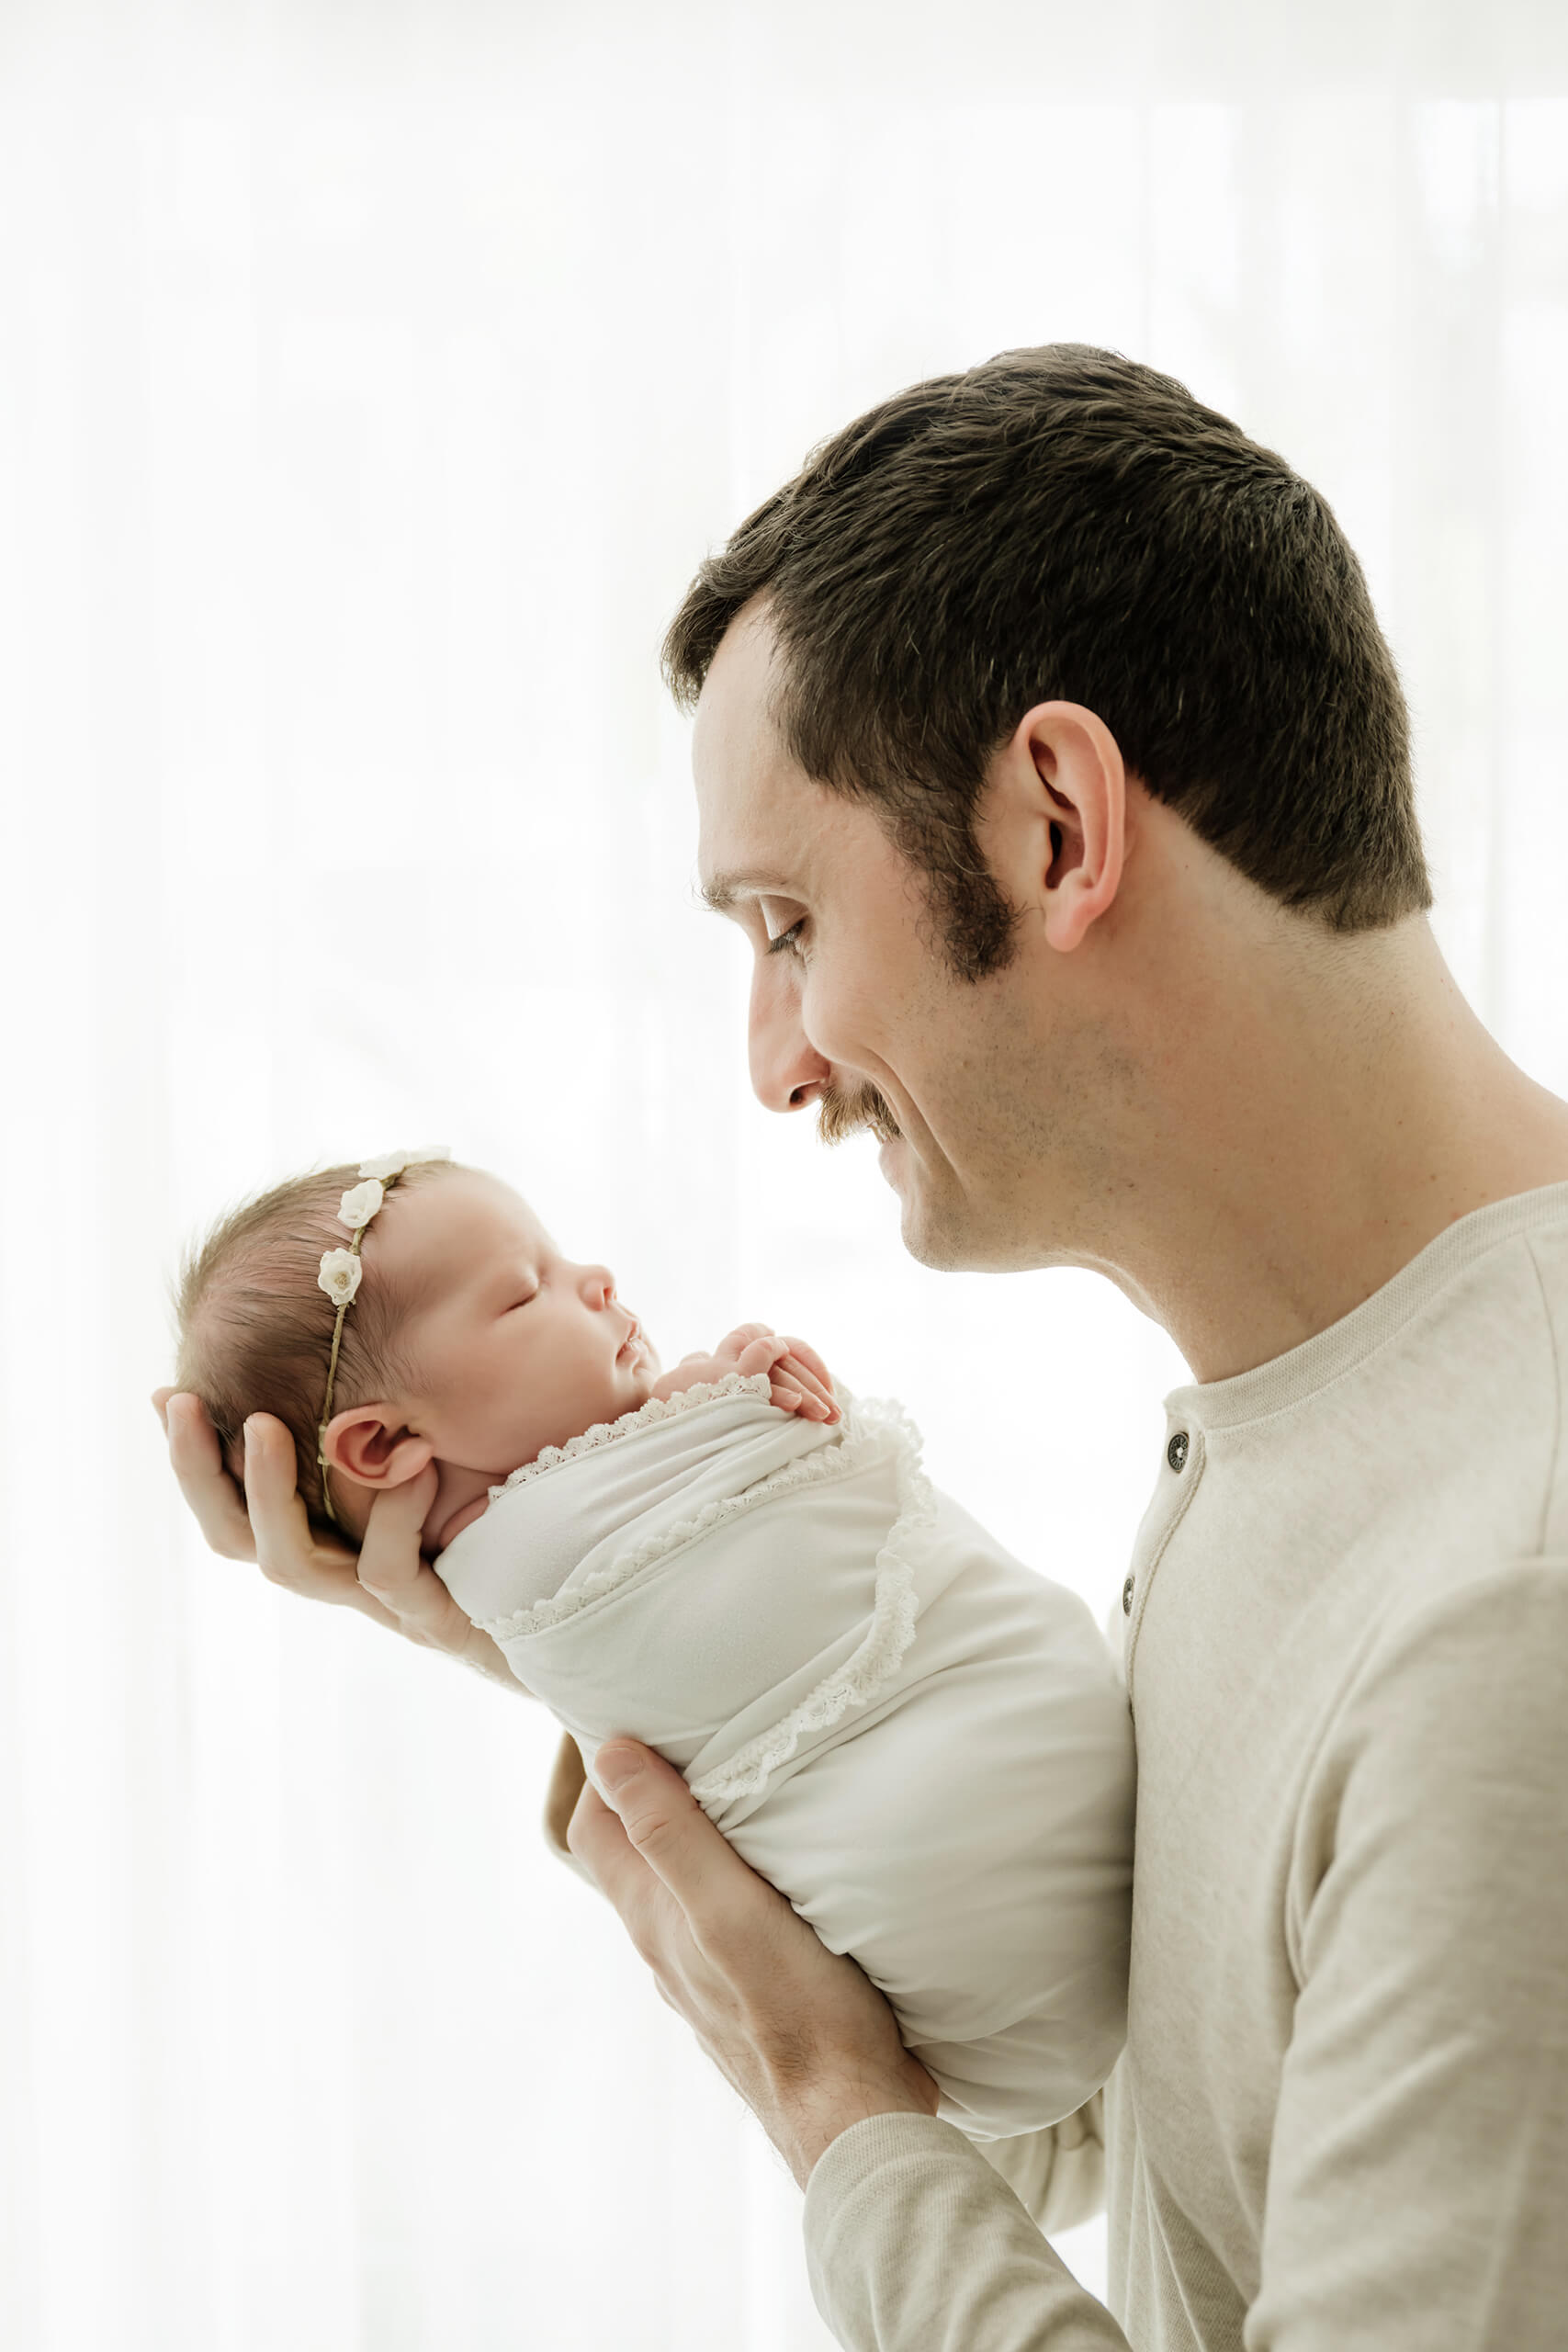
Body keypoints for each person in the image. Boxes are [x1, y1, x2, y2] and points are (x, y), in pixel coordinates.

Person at [159, 345, 1568, 2348]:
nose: (772, 1059)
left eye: (784, 923)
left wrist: (830, 2112)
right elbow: (1136, 2120)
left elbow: (959, 2131)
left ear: (1058, 826)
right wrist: (601, 1635)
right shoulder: (1301, 1446)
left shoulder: (1507, 1596)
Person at [168, 1149, 1134, 2172]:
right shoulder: (518, 1565)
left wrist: (738, 1386)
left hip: (998, 2036)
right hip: (998, 1974)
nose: (596, 1281)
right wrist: (742, 1390)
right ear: (380, 1448)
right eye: (522, 1290)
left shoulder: (514, 1576)